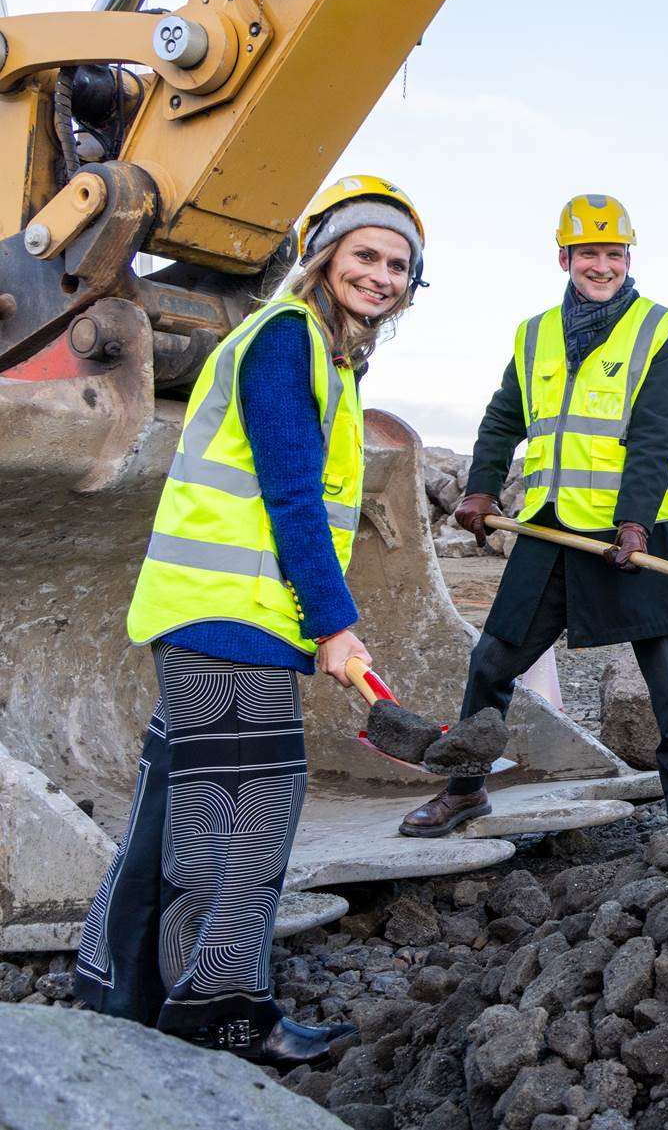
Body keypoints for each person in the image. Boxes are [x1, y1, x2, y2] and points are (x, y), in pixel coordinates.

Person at [74, 175, 427, 1065]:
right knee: (252, 807)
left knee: (176, 797)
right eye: (367, 255)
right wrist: (334, 626)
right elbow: (292, 497)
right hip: (230, 617)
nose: (382, 275)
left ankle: (115, 982)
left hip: (214, 613)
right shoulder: (286, 340)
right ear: (325, 256)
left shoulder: (324, 355)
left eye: (400, 265)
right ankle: (221, 1011)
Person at [406, 194, 668, 835]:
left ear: (628, 258)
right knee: (491, 661)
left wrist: (635, 521)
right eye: (588, 254)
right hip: (552, 527)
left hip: (639, 530)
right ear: (564, 257)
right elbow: (502, 417)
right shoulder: (535, 333)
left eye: (614, 254)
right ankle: (466, 789)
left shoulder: (666, 328)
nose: (601, 266)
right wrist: (482, 488)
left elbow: (657, 433)